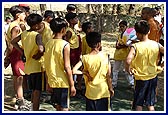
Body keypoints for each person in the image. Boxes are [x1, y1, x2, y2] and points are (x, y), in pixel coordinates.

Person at [125, 20, 164, 111]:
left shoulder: (135, 46)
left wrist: (128, 69)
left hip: (140, 78)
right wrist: (162, 65)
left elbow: (128, 60)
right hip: (153, 76)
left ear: (137, 33)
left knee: (138, 103)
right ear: (149, 31)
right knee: (150, 104)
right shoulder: (156, 44)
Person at [73, 32, 114, 111]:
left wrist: (85, 73)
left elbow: (74, 71)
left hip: (90, 93)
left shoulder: (85, 58)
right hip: (103, 92)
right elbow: (108, 76)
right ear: (99, 44)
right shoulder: (106, 56)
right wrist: (111, 88)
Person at [11, 13, 45, 111]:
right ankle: (35, 109)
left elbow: (13, 42)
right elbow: (41, 49)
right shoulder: (37, 35)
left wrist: (22, 51)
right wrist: (39, 55)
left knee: (33, 89)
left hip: (28, 67)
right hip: (37, 66)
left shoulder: (24, 33)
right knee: (37, 91)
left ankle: (33, 108)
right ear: (36, 25)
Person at [44, 18, 76, 111]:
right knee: (64, 108)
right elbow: (67, 66)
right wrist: (72, 84)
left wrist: (47, 82)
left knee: (58, 107)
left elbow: (47, 65)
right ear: (63, 29)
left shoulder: (48, 43)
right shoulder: (65, 45)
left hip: (52, 80)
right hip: (63, 82)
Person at [4, 5, 27, 110]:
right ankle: (20, 100)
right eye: (23, 13)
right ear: (18, 15)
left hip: (16, 53)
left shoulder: (16, 25)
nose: (25, 15)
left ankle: (19, 98)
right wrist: (8, 57)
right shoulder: (15, 27)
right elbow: (12, 44)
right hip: (16, 53)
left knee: (16, 77)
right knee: (19, 77)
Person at [112, 20, 134, 89]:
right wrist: (120, 45)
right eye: (120, 27)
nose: (121, 28)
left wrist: (121, 45)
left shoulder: (129, 35)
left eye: (123, 26)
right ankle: (114, 83)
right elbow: (117, 45)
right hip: (118, 55)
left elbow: (128, 45)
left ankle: (131, 83)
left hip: (126, 55)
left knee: (127, 69)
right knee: (115, 70)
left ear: (126, 27)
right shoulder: (119, 35)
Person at [65, 12, 82, 93]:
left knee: (77, 67)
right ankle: (72, 85)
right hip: (72, 52)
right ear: (71, 20)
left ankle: (77, 85)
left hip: (77, 51)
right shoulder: (69, 31)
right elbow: (66, 42)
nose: (77, 20)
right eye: (75, 18)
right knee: (73, 68)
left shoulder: (74, 29)